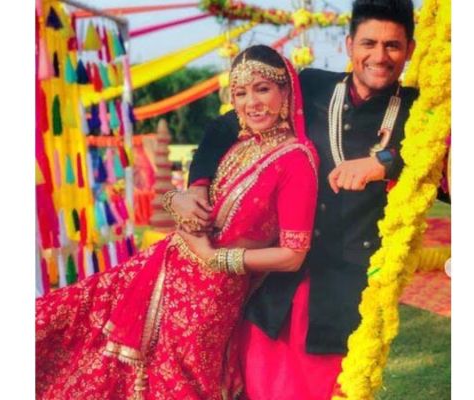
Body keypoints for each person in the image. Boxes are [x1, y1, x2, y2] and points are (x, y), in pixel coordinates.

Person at [36, 45, 319, 400]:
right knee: (63, 323)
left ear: (285, 91)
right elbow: (199, 207)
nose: (252, 103)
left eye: (262, 89)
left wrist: (216, 258)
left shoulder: (296, 159)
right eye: (241, 93)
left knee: (178, 385)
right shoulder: (242, 145)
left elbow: (292, 255)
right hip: (160, 267)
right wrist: (176, 200)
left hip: (210, 296)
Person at [169, 0, 420, 398]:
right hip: (272, 285)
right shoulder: (311, 86)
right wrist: (195, 187)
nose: (379, 56)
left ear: (410, 49)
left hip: (343, 293)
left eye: (392, 45)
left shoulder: (418, 112)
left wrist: (384, 163)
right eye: (368, 43)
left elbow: (440, 163)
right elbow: (226, 125)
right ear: (349, 45)